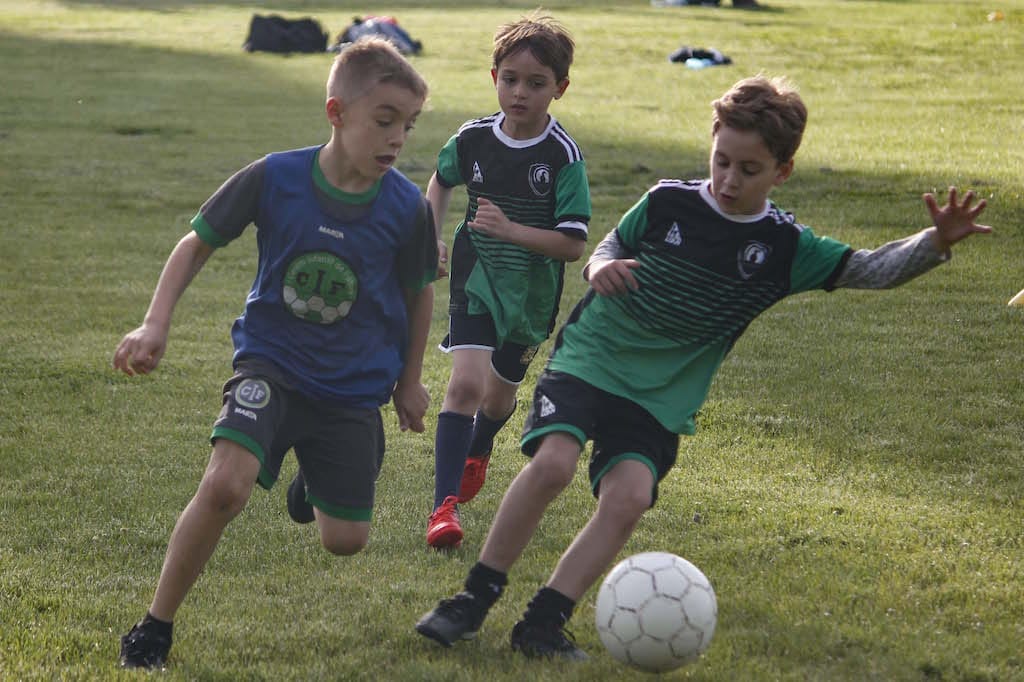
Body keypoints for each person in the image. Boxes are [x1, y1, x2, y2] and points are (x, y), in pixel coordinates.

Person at [415, 75, 991, 659]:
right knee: (555, 464)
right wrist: (599, 270)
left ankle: (541, 623)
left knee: (630, 497)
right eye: (721, 161)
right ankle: (473, 600)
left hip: (661, 394)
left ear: (781, 172)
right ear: (711, 144)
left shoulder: (785, 247)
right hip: (593, 357)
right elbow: (610, 244)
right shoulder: (669, 201)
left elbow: (869, 268)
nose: (728, 180)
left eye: (749, 169)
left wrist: (934, 243)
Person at [113, 38, 437, 670]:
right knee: (225, 488)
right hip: (271, 364)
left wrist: (410, 381)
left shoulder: (405, 208)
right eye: (384, 120)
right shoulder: (277, 176)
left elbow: (418, 294)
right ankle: (155, 624)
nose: (398, 138)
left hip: (351, 390)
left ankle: (310, 483)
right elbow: (195, 245)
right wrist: (155, 324)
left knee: (345, 541)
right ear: (336, 112)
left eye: (408, 124)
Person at [424, 12, 592, 550]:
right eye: (510, 80)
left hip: (531, 294)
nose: (520, 93)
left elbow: (571, 245)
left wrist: (513, 229)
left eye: (536, 84)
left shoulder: (562, 157)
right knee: (465, 386)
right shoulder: (472, 139)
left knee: (496, 401)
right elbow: (440, 180)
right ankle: (442, 509)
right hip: (476, 277)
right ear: (493, 76)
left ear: (559, 89)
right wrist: (432, 235)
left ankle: (480, 446)